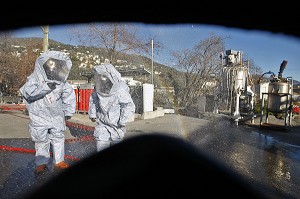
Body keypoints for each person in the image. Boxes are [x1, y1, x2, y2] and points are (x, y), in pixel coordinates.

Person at [19, 50, 76, 174]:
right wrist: (47, 86)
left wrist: (68, 111)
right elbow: (29, 92)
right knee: (40, 140)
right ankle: (41, 163)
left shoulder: (61, 82)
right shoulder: (34, 79)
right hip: (39, 115)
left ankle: (58, 162)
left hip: (56, 115)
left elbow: (69, 95)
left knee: (58, 137)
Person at [88, 63, 135, 152]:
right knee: (101, 146)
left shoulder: (120, 90)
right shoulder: (98, 89)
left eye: (104, 77)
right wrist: (92, 114)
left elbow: (128, 105)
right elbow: (93, 100)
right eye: (100, 77)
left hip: (116, 126)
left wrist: (122, 120)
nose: (102, 79)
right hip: (102, 124)